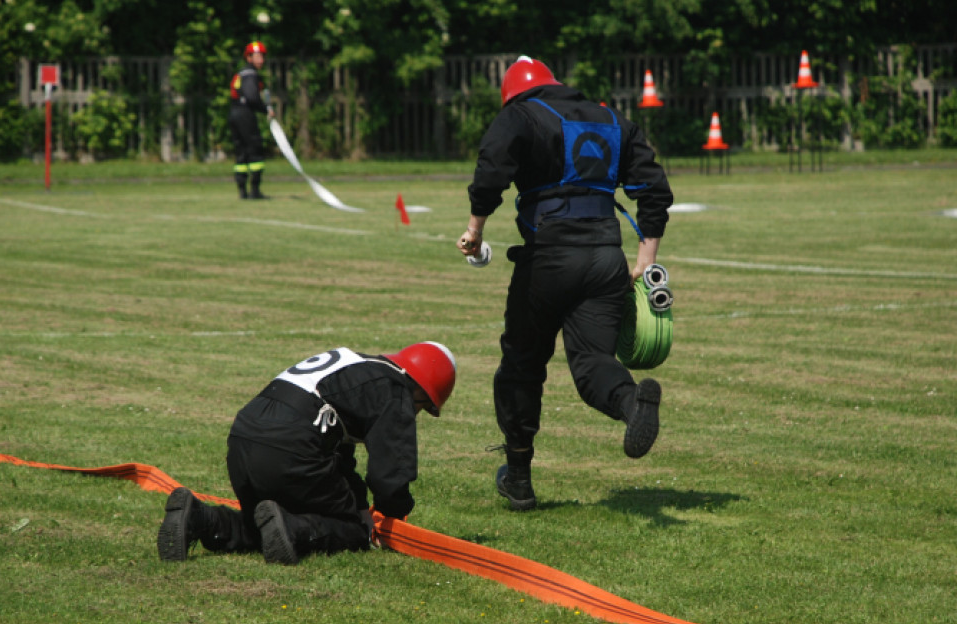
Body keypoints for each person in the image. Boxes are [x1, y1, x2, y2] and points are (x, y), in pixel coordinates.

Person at [455, 56, 674, 511]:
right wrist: (646, 260)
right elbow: (653, 188)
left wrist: (475, 230)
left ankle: (518, 478)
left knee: (522, 366)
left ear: (513, 93)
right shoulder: (612, 118)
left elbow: (492, 168)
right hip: (606, 261)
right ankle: (633, 403)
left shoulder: (519, 113)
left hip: (547, 263)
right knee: (593, 363)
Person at [157, 342, 456, 564]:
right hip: (291, 445)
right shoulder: (396, 390)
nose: (415, 414)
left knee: (263, 520)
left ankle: (202, 519)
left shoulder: (358, 371)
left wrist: (360, 502)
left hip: (243, 439)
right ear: (423, 392)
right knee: (351, 530)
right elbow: (390, 472)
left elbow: (340, 459)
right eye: (423, 408)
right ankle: (293, 529)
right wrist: (389, 519)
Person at [229, 40, 276, 200]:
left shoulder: (241, 73)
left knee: (241, 153)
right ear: (248, 57)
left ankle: (242, 190)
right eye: (257, 56)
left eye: (262, 56)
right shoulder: (250, 74)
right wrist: (265, 109)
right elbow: (252, 97)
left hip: (234, 112)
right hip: (245, 114)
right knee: (254, 149)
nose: (261, 60)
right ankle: (254, 191)